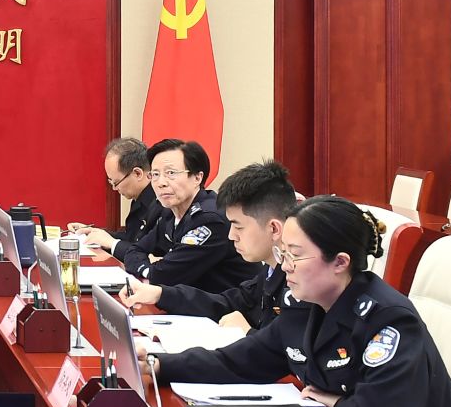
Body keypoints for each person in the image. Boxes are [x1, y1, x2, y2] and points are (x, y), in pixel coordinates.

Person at [148, 195, 451, 407]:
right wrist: (160, 364)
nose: (284, 266)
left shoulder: (387, 319)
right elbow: (239, 360)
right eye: (282, 253)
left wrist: (336, 401)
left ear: (340, 263)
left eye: (295, 255)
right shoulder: (304, 305)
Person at [128, 159, 297, 330]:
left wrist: (248, 333)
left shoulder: (299, 280)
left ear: (274, 228)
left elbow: (288, 344)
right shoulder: (270, 272)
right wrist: (160, 294)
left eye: (239, 227)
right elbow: (227, 303)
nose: (231, 235)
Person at [92, 138, 252, 300]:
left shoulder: (209, 220)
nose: (161, 183)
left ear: (197, 177)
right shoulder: (169, 212)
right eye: (155, 175)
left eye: (171, 173)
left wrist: (150, 269)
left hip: (226, 310)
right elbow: (134, 250)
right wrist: (151, 268)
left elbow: (164, 276)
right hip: (186, 302)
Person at [69, 137, 160, 252]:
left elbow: (143, 252)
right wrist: (94, 233)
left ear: (137, 173)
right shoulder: (139, 199)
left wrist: (112, 243)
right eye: (111, 182)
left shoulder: (161, 203)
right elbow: (131, 239)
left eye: (116, 182)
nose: (114, 188)